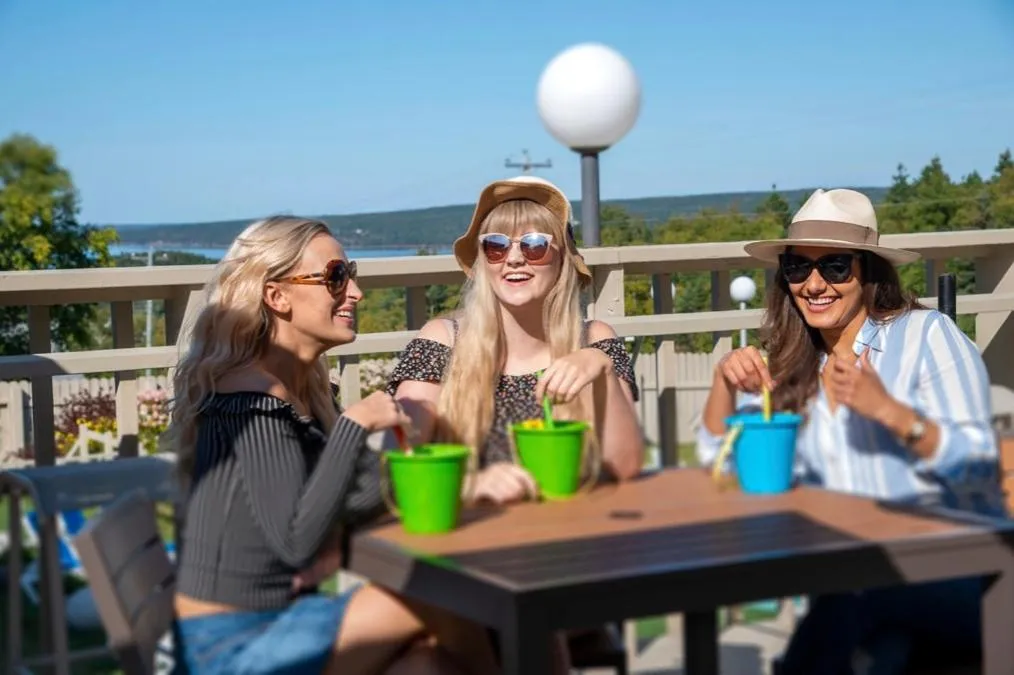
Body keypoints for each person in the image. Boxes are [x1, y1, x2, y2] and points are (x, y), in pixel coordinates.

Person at [167, 216, 499, 675]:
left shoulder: (299, 387)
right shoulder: (251, 400)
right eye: (336, 277)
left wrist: (459, 484)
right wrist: (353, 426)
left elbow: (356, 498)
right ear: (276, 296)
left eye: (351, 274)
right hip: (229, 647)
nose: (356, 293)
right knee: (447, 593)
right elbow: (296, 544)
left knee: (429, 664)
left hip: (280, 621)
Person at [696, 189, 1004, 674]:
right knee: (879, 651)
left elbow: (980, 462)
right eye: (798, 267)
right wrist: (723, 383)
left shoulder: (926, 335)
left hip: (960, 571)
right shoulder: (793, 367)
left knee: (863, 597)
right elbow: (722, 460)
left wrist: (892, 413)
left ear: (868, 272)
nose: (814, 284)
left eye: (836, 267)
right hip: (854, 588)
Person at [386, 176, 645, 670]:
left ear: (563, 259)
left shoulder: (595, 339)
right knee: (420, 663)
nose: (514, 258)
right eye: (497, 245)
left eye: (535, 244)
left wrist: (601, 370)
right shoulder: (443, 340)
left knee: (521, 611)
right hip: (468, 551)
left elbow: (627, 464)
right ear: (483, 261)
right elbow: (405, 454)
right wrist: (470, 485)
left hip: (571, 554)